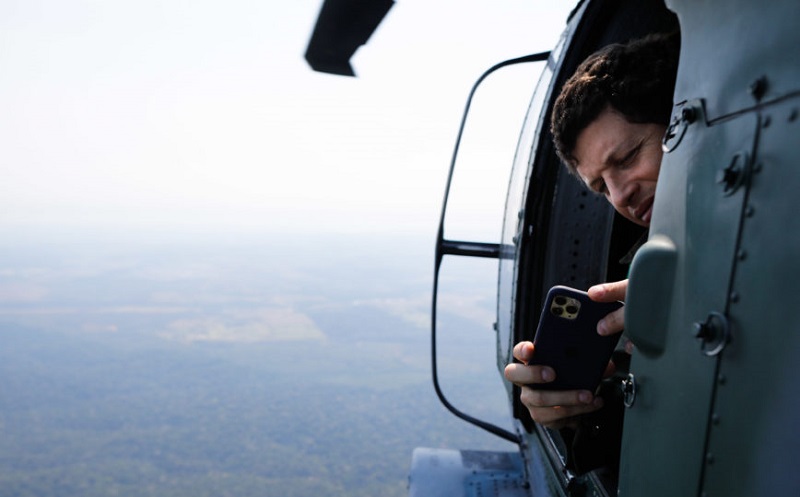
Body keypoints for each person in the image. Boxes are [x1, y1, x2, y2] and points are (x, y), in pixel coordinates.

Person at [503, 31, 680, 461]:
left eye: (627, 158)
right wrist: (576, 410)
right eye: (601, 186)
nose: (619, 196)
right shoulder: (638, 272)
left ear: (680, 122)